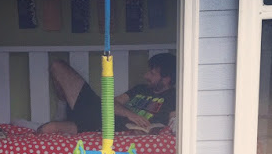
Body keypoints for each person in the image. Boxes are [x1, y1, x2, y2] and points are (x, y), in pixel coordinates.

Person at [37, 53, 176, 135]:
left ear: (167, 79)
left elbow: (174, 123)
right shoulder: (140, 89)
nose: (146, 76)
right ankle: (62, 112)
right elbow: (110, 103)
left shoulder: (174, 97)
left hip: (99, 125)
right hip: (95, 109)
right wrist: (130, 114)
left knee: (47, 129)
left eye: (152, 73)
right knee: (57, 66)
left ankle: (63, 121)